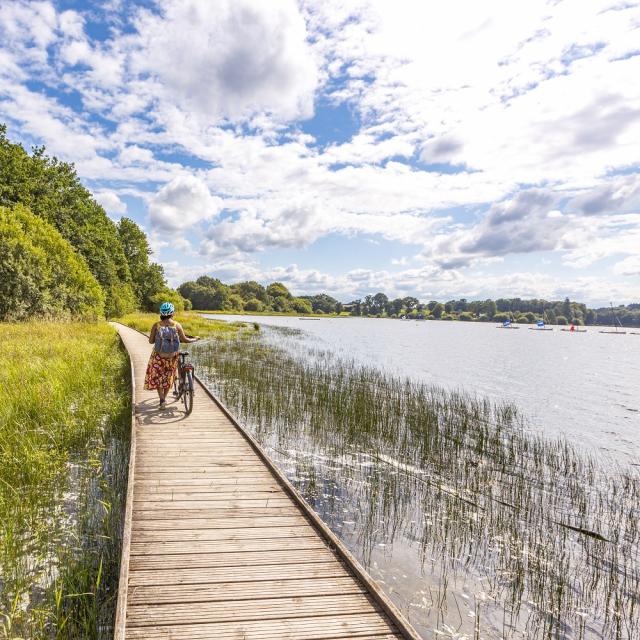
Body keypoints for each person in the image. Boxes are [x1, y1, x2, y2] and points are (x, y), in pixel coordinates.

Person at [144, 302, 199, 409]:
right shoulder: (177, 325)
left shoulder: (156, 325)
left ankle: (162, 400)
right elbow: (185, 340)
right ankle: (164, 398)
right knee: (168, 377)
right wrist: (195, 339)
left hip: (158, 357)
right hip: (172, 357)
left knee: (158, 378)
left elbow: (150, 341)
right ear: (172, 313)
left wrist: (157, 338)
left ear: (161, 313)